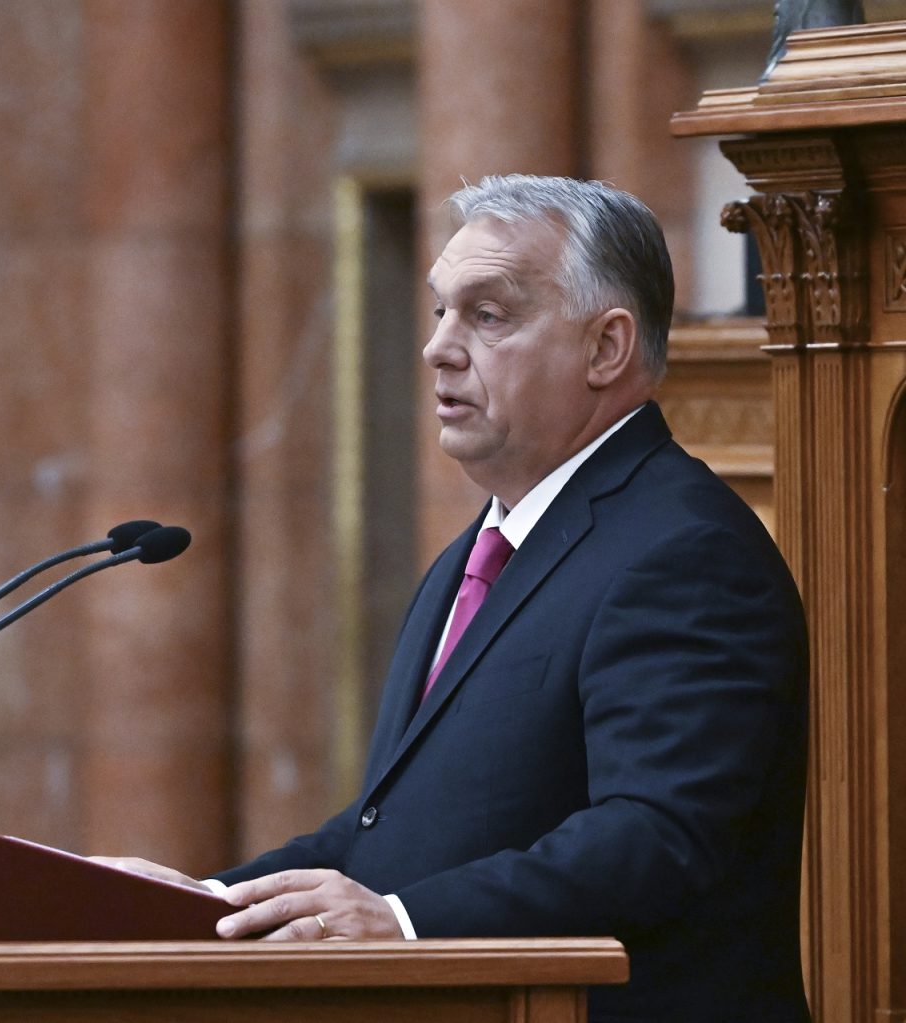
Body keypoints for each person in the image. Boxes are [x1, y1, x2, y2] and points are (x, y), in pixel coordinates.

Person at [99, 175, 810, 1022]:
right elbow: (393, 833)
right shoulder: (476, 554)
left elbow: (656, 834)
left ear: (606, 348)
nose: (438, 346)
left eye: (488, 315)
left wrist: (404, 923)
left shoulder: (684, 550)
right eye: (441, 311)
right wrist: (205, 904)